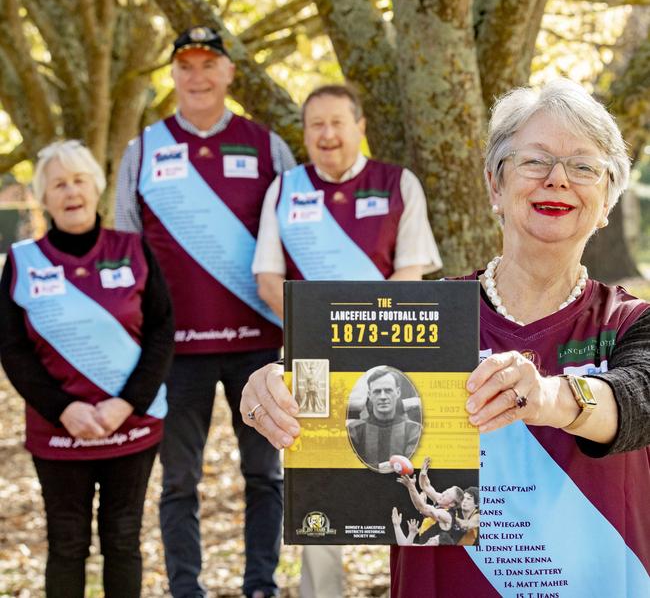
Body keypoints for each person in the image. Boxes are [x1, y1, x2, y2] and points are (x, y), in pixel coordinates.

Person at [240, 79, 650, 597]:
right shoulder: (420, 316)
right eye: (535, 161)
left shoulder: (632, 320)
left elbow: (639, 399)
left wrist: (548, 396)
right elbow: (320, 386)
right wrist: (269, 388)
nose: (558, 179)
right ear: (494, 187)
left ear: (608, 198)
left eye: (584, 167)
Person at [115, 27, 296, 598]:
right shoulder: (143, 149)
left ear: (228, 73)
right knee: (179, 483)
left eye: (209, 64)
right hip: (177, 351)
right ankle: (185, 589)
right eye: (186, 65)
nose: (197, 75)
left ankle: (261, 586)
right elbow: (125, 245)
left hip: (258, 346)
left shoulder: (267, 146)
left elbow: (295, 238)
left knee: (265, 477)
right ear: (173, 74)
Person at [252, 84, 440, 597]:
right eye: (316, 125)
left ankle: (407, 588)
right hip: (310, 361)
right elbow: (268, 280)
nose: (327, 135)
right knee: (318, 479)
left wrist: (366, 338)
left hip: (391, 358)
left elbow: (412, 271)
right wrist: (318, 334)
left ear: (360, 127)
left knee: (402, 476)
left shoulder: (399, 183)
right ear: (305, 134)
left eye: (338, 122)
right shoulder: (283, 189)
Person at [0, 140, 173, 598]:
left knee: (122, 539)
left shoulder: (135, 250)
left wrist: (126, 404)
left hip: (131, 426)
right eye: (58, 184)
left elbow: (161, 332)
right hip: (58, 432)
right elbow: (12, 349)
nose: (71, 191)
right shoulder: (22, 262)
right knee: (67, 543)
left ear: (96, 187)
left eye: (79, 180)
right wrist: (63, 410)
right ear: (43, 196)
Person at [347, 367, 422, 469]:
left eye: (388, 390)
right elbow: (349, 467)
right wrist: (380, 467)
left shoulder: (414, 430)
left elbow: (414, 466)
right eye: (377, 392)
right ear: (369, 395)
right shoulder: (355, 430)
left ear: (398, 393)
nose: (383, 396)